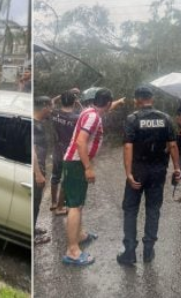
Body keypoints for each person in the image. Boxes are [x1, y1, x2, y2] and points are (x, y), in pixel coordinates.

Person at [117, 86, 180, 266]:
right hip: (158, 171)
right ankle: (148, 250)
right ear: (152, 98)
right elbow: (173, 145)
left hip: (138, 171)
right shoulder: (166, 118)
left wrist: (128, 173)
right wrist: (177, 168)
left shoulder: (132, 119)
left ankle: (129, 251)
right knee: (153, 209)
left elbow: (128, 147)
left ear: (137, 100)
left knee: (130, 209)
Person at [62, 88, 113, 266]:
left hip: (77, 163)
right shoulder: (93, 117)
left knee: (79, 203)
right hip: (76, 163)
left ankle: (80, 235)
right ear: (107, 103)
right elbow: (81, 141)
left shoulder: (89, 111)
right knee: (75, 206)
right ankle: (73, 251)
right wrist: (88, 167)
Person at [49, 89, 81, 216]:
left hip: (57, 148)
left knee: (55, 176)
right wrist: (79, 105)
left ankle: (53, 203)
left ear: (61, 101)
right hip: (70, 150)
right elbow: (86, 115)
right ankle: (60, 207)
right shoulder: (77, 118)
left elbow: (51, 102)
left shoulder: (55, 113)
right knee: (67, 178)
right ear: (74, 102)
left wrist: (61, 95)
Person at [33, 96, 53, 245]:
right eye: (50, 107)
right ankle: (31, 236)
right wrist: (38, 173)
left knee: (37, 201)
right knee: (34, 201)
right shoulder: (34, 125)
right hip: (36, 169)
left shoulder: (38, 120)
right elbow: (32, 149)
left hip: (40, 166)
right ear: (45, 106)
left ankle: (32, 228)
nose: (51, 110)